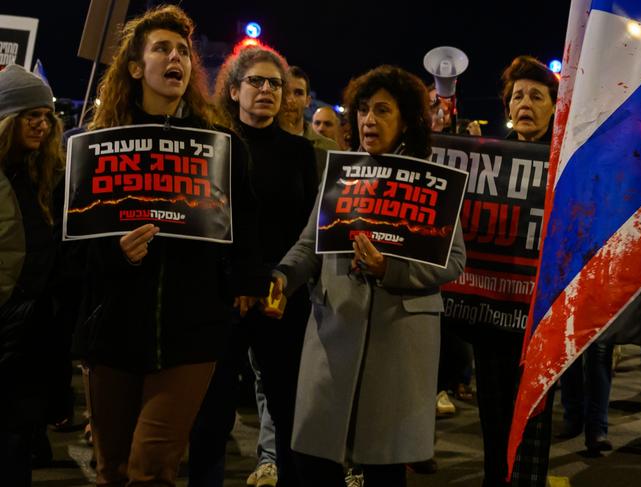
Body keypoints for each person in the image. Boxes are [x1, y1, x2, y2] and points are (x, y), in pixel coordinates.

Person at [71, 6, 266, 486]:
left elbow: (248, 232)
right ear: (135, 67)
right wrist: (114, 253)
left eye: (183, 51)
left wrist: (243, 283)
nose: (176, 57)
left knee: (153, 467)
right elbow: (71, 246)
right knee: (112, 469)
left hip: (189, 333)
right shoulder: (95, 145)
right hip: (112, 330)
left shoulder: (221, 146)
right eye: (162, 48)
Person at [272, 65, 466, 487]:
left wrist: (389, 268)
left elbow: (452, 262)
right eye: (362, 110)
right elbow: (310, 244)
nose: (368, 120)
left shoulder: (430, 181)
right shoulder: (340, 173)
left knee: (384, 469)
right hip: (333, 334)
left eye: (381, 110)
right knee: (315, 460)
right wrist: (283, 277)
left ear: (406, 122)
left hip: (398, 344)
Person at [189, 45, 318, 487]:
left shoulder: (301, 152)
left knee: (287, 411)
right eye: (256, 81)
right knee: (212, 414)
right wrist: (234, 279)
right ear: (233, 89)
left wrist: (286, 281)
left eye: (275, 84)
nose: (266, 90)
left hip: (282, 296)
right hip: (222, 295)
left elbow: (309, 228)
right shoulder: (213, 146)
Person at [470, 55, 559, 487]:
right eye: (517, 95)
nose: (525, 103)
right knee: (493, 422)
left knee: (533, 427)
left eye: (536, 96)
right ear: (507, 108)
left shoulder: (565, 165)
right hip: (490, 316)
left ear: (554, 107)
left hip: (540, 322)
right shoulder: (485, 158)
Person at [0, 65, 65, 486]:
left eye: (47, 116)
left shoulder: (47, 177)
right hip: (4, 329)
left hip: (33, 338)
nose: (42, 125)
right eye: (31, 116)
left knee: (17, 446)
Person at [280, 65, 339, 176]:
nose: (290, 100)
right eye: (285, 92)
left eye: (298, 93)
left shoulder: (330, 149)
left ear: (308, 101)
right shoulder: (259, 142)